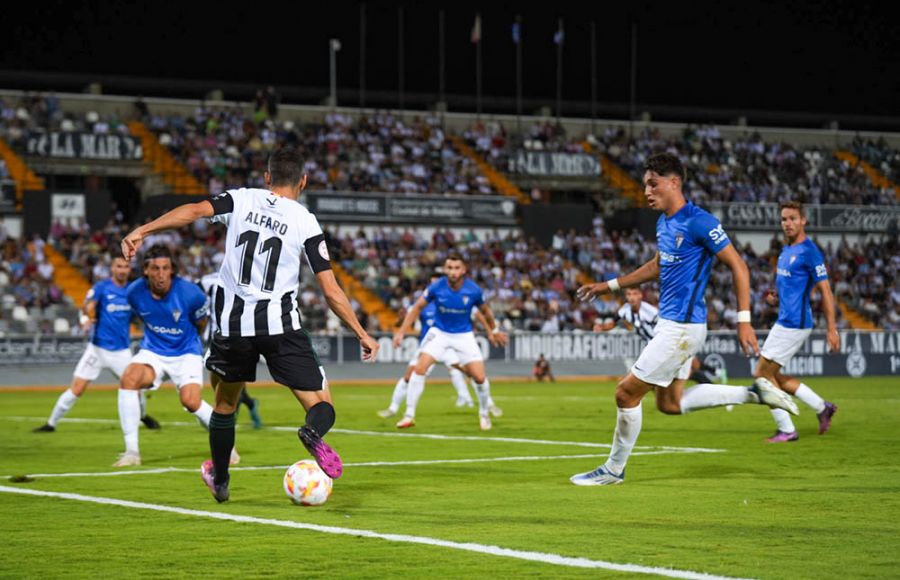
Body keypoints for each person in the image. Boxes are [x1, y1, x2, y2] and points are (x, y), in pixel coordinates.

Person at [121, 146, 379, 503]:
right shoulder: (306, 221)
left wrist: (143, 230)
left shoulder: (241, 200)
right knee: (322, 404)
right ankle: (312, 431)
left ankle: (221, 480)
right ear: (303, 180)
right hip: (280, 325)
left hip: (233, 328)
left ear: (267, 178)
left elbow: (195, 211)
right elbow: (330, 289)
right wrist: (361, 332)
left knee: (225, 406)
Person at [569, 152, 798, 486]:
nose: (646, 191)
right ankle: (753, 394)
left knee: (625, 394)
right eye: (645, 185)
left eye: (653, 184)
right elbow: (657, 265)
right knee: (670, 404)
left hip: (682, 328)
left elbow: (739, 265)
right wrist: (609, 286)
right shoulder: (664, 222)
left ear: (673, 182)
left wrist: (744, 320)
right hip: (672, 325)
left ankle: (613, 470)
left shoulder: (699, 221)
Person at [112, 245, 227, 467]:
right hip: (153, 351)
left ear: (172, 270)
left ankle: (226, 445)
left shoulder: (191, 293)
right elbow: (144, 317)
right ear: (145, 270)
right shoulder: (134, 293)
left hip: (186, 353)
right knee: (129, 378)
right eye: (155, 268)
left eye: (166, 268)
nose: (161, 274)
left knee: (191, 401)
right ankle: (132, 452)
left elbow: (201, 322)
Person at [34, 251, 161, 433]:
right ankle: (51, 424)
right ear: (112, 268)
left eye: (125, 266)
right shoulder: (102, 288)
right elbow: (87, 307)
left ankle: (142, 416)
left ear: (129, 269)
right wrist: (86, 319)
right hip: (97, 349)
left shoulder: (133, 291)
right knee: (77, 389)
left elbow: (142, 313)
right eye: (119, 266)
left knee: (136, 388)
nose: (122, 270)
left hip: (121, 351)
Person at [754, 201, 839, 442]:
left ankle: (787, 429)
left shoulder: (809, 251)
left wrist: (832, 328)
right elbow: (790, 289)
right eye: (784, 219)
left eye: (792, 218)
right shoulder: (786, 250)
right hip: (786, 319)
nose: (787, 223)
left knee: (761, 375)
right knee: (774, 377)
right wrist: (776, 298)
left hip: (795, 323)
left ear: (803, 221)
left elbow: (825, 290)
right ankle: (822, 407)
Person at [392, 253, 507, 430]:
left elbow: (486, 312)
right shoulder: (436, 287)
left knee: (479, 377)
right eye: (449, 268)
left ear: (463, 270)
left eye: (456, 268)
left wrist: (495, 330)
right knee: (419, 369)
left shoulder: (473, 290)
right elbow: (417, 307)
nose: (453, 272)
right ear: (445, 269)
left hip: (464, 335)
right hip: (440, 333)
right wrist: (401, 332)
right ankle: (409, 415)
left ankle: (484, 413)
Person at [594, 286, 726, 384]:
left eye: (635, 293)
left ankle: (714, 387)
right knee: (689, 366)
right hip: (653, 346)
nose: (631, 297)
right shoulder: (624, 310)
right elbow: (614, 322)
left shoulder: (650, 312)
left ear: (640, 296)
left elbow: (667, 324)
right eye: (629, 294)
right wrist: (602, 327)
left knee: (689, 368)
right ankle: (716, 375)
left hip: (665, 343)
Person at [199, 271, 263, 429]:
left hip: (231, 334)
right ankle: (241, 407)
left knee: (230, 377)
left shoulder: (240, 277)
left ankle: (226, 415)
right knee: (226, 377)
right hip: (219, 334)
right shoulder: (208, 281)